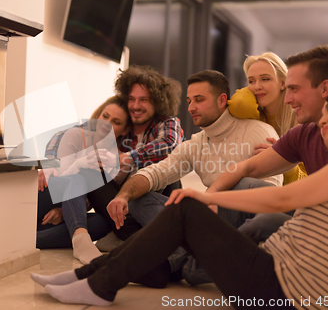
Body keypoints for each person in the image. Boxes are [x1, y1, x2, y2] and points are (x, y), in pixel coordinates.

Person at [32, 86, 328, 310]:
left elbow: (279, 201)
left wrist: (203, 196)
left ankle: (98, 283)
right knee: (181, 211)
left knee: (186, 209)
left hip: (278, 286)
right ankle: (90, 276)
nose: (323, 118)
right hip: (273, 272)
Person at [105, 69, 282, 286]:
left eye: (198, 100)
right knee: (139, 198)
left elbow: (268, 197)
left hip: (242, 231)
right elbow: (156, 172)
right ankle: (187, 259)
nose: (190, 108)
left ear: (221, 100)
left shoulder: (258, 132)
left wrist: (213, 201)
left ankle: (173, 262)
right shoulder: (195, 144)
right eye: (189, 101)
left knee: (243, 185)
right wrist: (123, 195)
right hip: (210, 230)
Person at [208, 45, 328, 245]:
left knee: (262, 220)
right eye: (251, 81)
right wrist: (208, 197)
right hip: (305, 210)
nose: (288, 99)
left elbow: (288, 197)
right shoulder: (302, 132)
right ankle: (188, 259)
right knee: (241, 187)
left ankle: (191, 263)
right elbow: (247, 167)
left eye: (294, 88)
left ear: (324, 88)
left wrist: (289, 169)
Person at [76, 65, 185, 245]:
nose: (135, 106)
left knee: (168, 164)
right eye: (132, 99)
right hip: (122, 205)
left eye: (143, 100)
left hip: (155, 198)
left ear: (158, 102)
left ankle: (137, 238)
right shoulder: (122, 126)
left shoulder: (167, 123)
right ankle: (135, 237)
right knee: (91, 169)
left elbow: (169, 143)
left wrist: (127, 158)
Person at [36, 96, 131, 264]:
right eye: (105, 116)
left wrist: (65, 213)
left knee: (103, 223)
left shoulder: (117, 160)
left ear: (124, 130)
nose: (106, 124)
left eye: (115, 122)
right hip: (48, 195)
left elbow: (92, 200)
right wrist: (80, 164)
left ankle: (33, 241)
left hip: (70, 209)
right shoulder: (75, 135)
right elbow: (62, 178)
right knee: (77, 180)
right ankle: (80, 241)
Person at [228, 52, 306, 184]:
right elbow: (238, 104)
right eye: (251, 81)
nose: (257, 86)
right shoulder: (253, 114)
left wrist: (282, 159)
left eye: (265, 79)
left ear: (283, 83)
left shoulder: (302, 120)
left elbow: (308, 183)